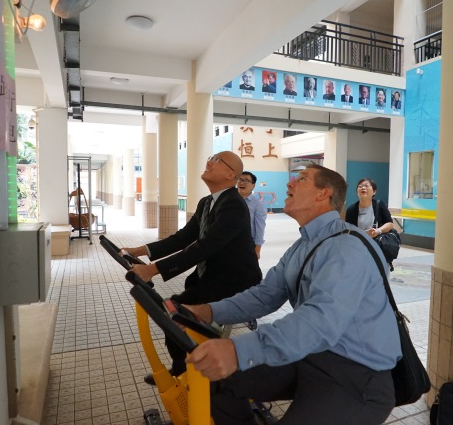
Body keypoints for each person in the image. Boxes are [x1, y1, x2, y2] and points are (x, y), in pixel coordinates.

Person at [185, 164, 401, 425]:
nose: (290, 184)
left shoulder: (347, 247)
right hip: (314, 354)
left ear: (323, 193)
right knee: (217, 381)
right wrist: (208, 311)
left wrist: (237, 349)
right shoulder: (304, 244)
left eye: (301, 179)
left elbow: (319, 322)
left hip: (358, 376)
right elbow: (266, 294)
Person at [123, 151, 262, 383]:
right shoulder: (207, 202)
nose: (209, 161)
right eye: (211, 157)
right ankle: (183, 370)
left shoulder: (235, 205)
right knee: (173, 311)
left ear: (230, 174)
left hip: (234, 283)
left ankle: (198, 376)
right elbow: (182, 238)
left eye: (216, 160)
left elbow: (204, 247)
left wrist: (152, 270)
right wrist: (140, 251)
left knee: (179, 314)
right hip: (211, 279)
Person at [237, 171, 267, 259]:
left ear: (253, 185)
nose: (242, 183)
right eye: (240, 179)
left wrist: (257, 250)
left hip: (247, 244)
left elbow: (260, 228)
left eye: (246, 181)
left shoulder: (258, 205)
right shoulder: (229, 200)